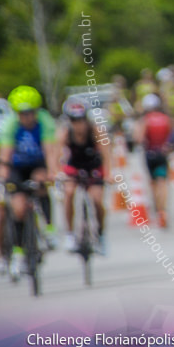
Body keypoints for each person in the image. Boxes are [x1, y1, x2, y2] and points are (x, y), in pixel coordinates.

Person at [0, 86, 59, 276]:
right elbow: (5, 155)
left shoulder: (45, 122)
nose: (27, 117)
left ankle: (48, 229)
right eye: (22, 113)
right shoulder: (10, 125)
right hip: (17, 167)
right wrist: (2, 179)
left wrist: (53, 173)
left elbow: (50, 151)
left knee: (41, 182)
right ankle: (18, 250)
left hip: (37, 164)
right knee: (18, 208)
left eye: (30, 112)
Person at [59, 97, 110, 254]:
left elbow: (106, 153)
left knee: (97, 200)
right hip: (74, 167)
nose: (78, 124)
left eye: (81, 119)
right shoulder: (66, 133)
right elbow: (56, 153)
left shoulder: (95, 131)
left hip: (93, 167)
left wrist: (108, 174)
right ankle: (69, 234)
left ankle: (101, 235)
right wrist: (57, 172)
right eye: (74, 120)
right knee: (68, 192)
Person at [133, 93, 172, 228]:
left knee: (154, 184)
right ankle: (163, 210)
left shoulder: (145, 120)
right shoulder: (165, 119)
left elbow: (139, 138)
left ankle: (157, 210)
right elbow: (171, 136)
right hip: (162, 153)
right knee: (163, 183)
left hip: (150, 154)